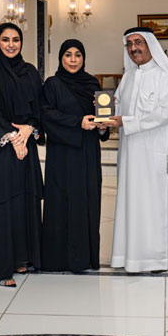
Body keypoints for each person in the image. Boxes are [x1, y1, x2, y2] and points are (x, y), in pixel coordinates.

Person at [103, 27, 168, 272]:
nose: (134, 48)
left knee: (155, 208)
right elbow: (115, 107)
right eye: (129, 44)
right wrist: (104, 116)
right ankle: (130, 257)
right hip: (130, 155)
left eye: (138, 42)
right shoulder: (127, 77)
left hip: (155, 155)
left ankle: (157, 259)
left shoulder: (164, 77)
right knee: (131, 205)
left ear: (150, 45)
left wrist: (126, 122)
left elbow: (164, 113)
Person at [0, 23, 44, 287]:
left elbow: (39, 108)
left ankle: (21, 258)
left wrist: (28, 129)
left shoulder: (30, 72)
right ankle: (1, 268)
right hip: (0, 150)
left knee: (24, 202)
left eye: (16, 39)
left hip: (26, 147)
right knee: (1, 206)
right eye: (5, 39)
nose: (11, 44)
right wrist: (12, 137)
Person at [40, 40, 110, 272]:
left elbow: (101, 121)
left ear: (83, 58)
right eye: (68, 55)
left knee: (86, 201)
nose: (73, 60)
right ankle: (58, 258)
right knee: (62, 201)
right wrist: (77, 122)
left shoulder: (92, 84)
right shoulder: (52, 84)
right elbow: (47, 115)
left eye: (77, 55)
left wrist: (102, 126)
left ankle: (84, 258)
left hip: (87, 153)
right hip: (62, 154)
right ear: (61, 57)